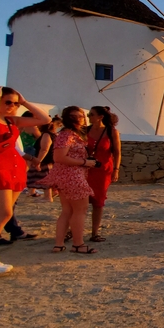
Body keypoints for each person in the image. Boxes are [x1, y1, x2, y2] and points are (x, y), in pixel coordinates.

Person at [0, 90, 49, 272]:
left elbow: (44, 119)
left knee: (3, 213)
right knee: (1, 212)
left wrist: (25, 101)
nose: (12, 106)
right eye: (8, 102)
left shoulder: (12, 120)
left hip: (14, 166)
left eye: (15, 104)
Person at [42, 106, 98, 253]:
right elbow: (59, 157)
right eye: (76, 116)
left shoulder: (70, 134)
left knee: (67, 211)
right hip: (72, 176)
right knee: (80, 210)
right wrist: (85, 162)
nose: (80, 119)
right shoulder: (67, 135)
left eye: (81, 116)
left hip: (65, 176)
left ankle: (59, 244)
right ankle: (78, 244)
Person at [86, 106, 121, 242]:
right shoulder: (86, 131)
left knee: (98, 201)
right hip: (86, 168)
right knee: (80, 201)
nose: (89, 117)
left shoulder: (111, 132)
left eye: (91, 114)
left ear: (100, 117)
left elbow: (117, 152)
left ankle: (95, 232)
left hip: (103, 170)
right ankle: (73, 230)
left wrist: (116, 170)